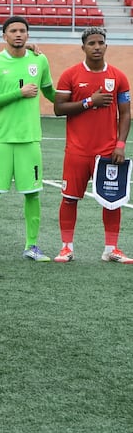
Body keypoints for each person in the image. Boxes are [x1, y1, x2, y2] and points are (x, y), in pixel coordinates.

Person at [0, 16, 55, 261]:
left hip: (29, 140)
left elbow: (50, 92)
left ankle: (32, 246)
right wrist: (19, 93)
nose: (18, 34)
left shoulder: (39, 60)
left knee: (33, 193)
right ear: (4, 36)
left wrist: (80, 103)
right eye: (13, 31)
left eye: (22, 31)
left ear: (28, 36)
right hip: (0, 139)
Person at [53, 27, 133, 263]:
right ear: (83, 47)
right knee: (69, 198)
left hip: (108, 151)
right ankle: (66, 247)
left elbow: (126, 113)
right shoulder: (70, 75)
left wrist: (120, 144)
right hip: (77, 151)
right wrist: (89, 101)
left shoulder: (119, 77)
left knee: (112, 199)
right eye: (92, 43)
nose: (97, 47)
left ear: (106, 46)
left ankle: (111, 249)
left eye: (101, 43)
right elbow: (59, 108)